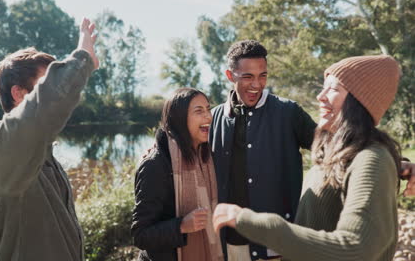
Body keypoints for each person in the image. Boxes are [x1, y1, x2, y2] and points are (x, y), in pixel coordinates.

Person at [213, 55, 402, 261]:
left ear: (360, 99)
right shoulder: (336, 155)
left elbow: (356, 249)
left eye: (333, 89)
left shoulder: (371, 159)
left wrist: (247, 220)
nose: (321, 96)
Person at [0, 18, 99, 261]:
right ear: (18, 93)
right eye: (44, 84)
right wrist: (81, 61)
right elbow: (37, 115)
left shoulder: (45, 155)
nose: (57, 91)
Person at [209, 40, 316, 260]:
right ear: (230, 76)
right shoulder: (213, 118)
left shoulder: (288, 112)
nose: (257, 84)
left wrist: (393, 160)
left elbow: (336, 146)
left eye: (263, 76)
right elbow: (179, 141)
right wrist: (158, 148)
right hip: (230, 242)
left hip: (276, 241)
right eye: (247, 77)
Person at [131, 88, 223, 261]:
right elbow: (140, 235)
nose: (209, 117)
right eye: (199, 111)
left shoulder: (207, 157)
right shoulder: (156, 165)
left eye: (208, 109)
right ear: (180, 119)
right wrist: (181, 226)